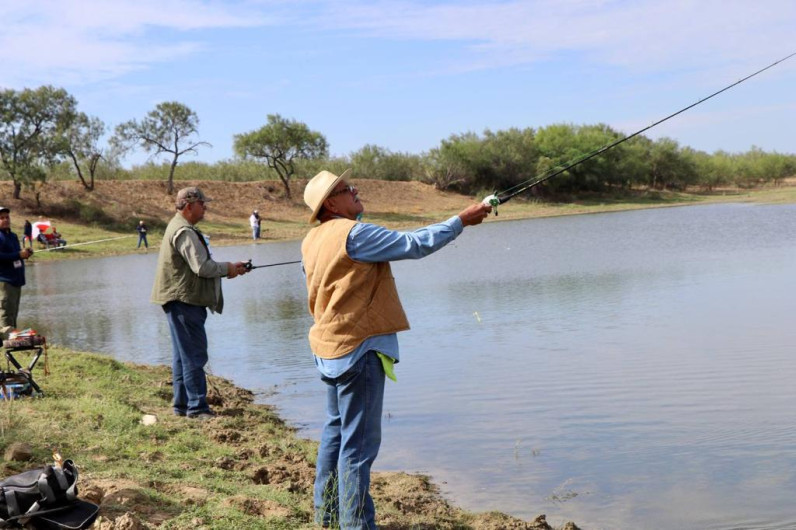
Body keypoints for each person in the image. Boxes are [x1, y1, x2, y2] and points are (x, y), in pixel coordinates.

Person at [301, 169, 491, 528]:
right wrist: (460, 221)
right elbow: (414, 244)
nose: (355, 190)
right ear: (330, 203)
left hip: (328, 347)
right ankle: (355, 525)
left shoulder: (311, 239)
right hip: (358, 349)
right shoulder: (355, 233)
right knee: (357, 448)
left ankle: (326, 515)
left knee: (335, 434)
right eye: (346, 189)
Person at [150, 187, 250, 419]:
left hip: (181, 300)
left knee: (182, 355)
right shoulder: (184, 231)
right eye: (202, 204)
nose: (205, 207)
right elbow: (202, 267)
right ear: (188, 206)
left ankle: (182, 405)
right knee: (194, 354)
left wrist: (231, 269)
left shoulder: (181, 227)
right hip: (184, 301)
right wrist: (229, 268)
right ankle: (197, 408)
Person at [0, 207, 34, 339]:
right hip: (4, 280)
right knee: (5, 313)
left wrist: (25, 253)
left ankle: (13, 340)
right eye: (1, 218)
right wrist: (17, 254)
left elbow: (16, 255)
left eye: (7, 217)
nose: (5, 220)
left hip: (16, 280)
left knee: (13, 313)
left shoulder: (13, 236)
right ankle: (6, 343)